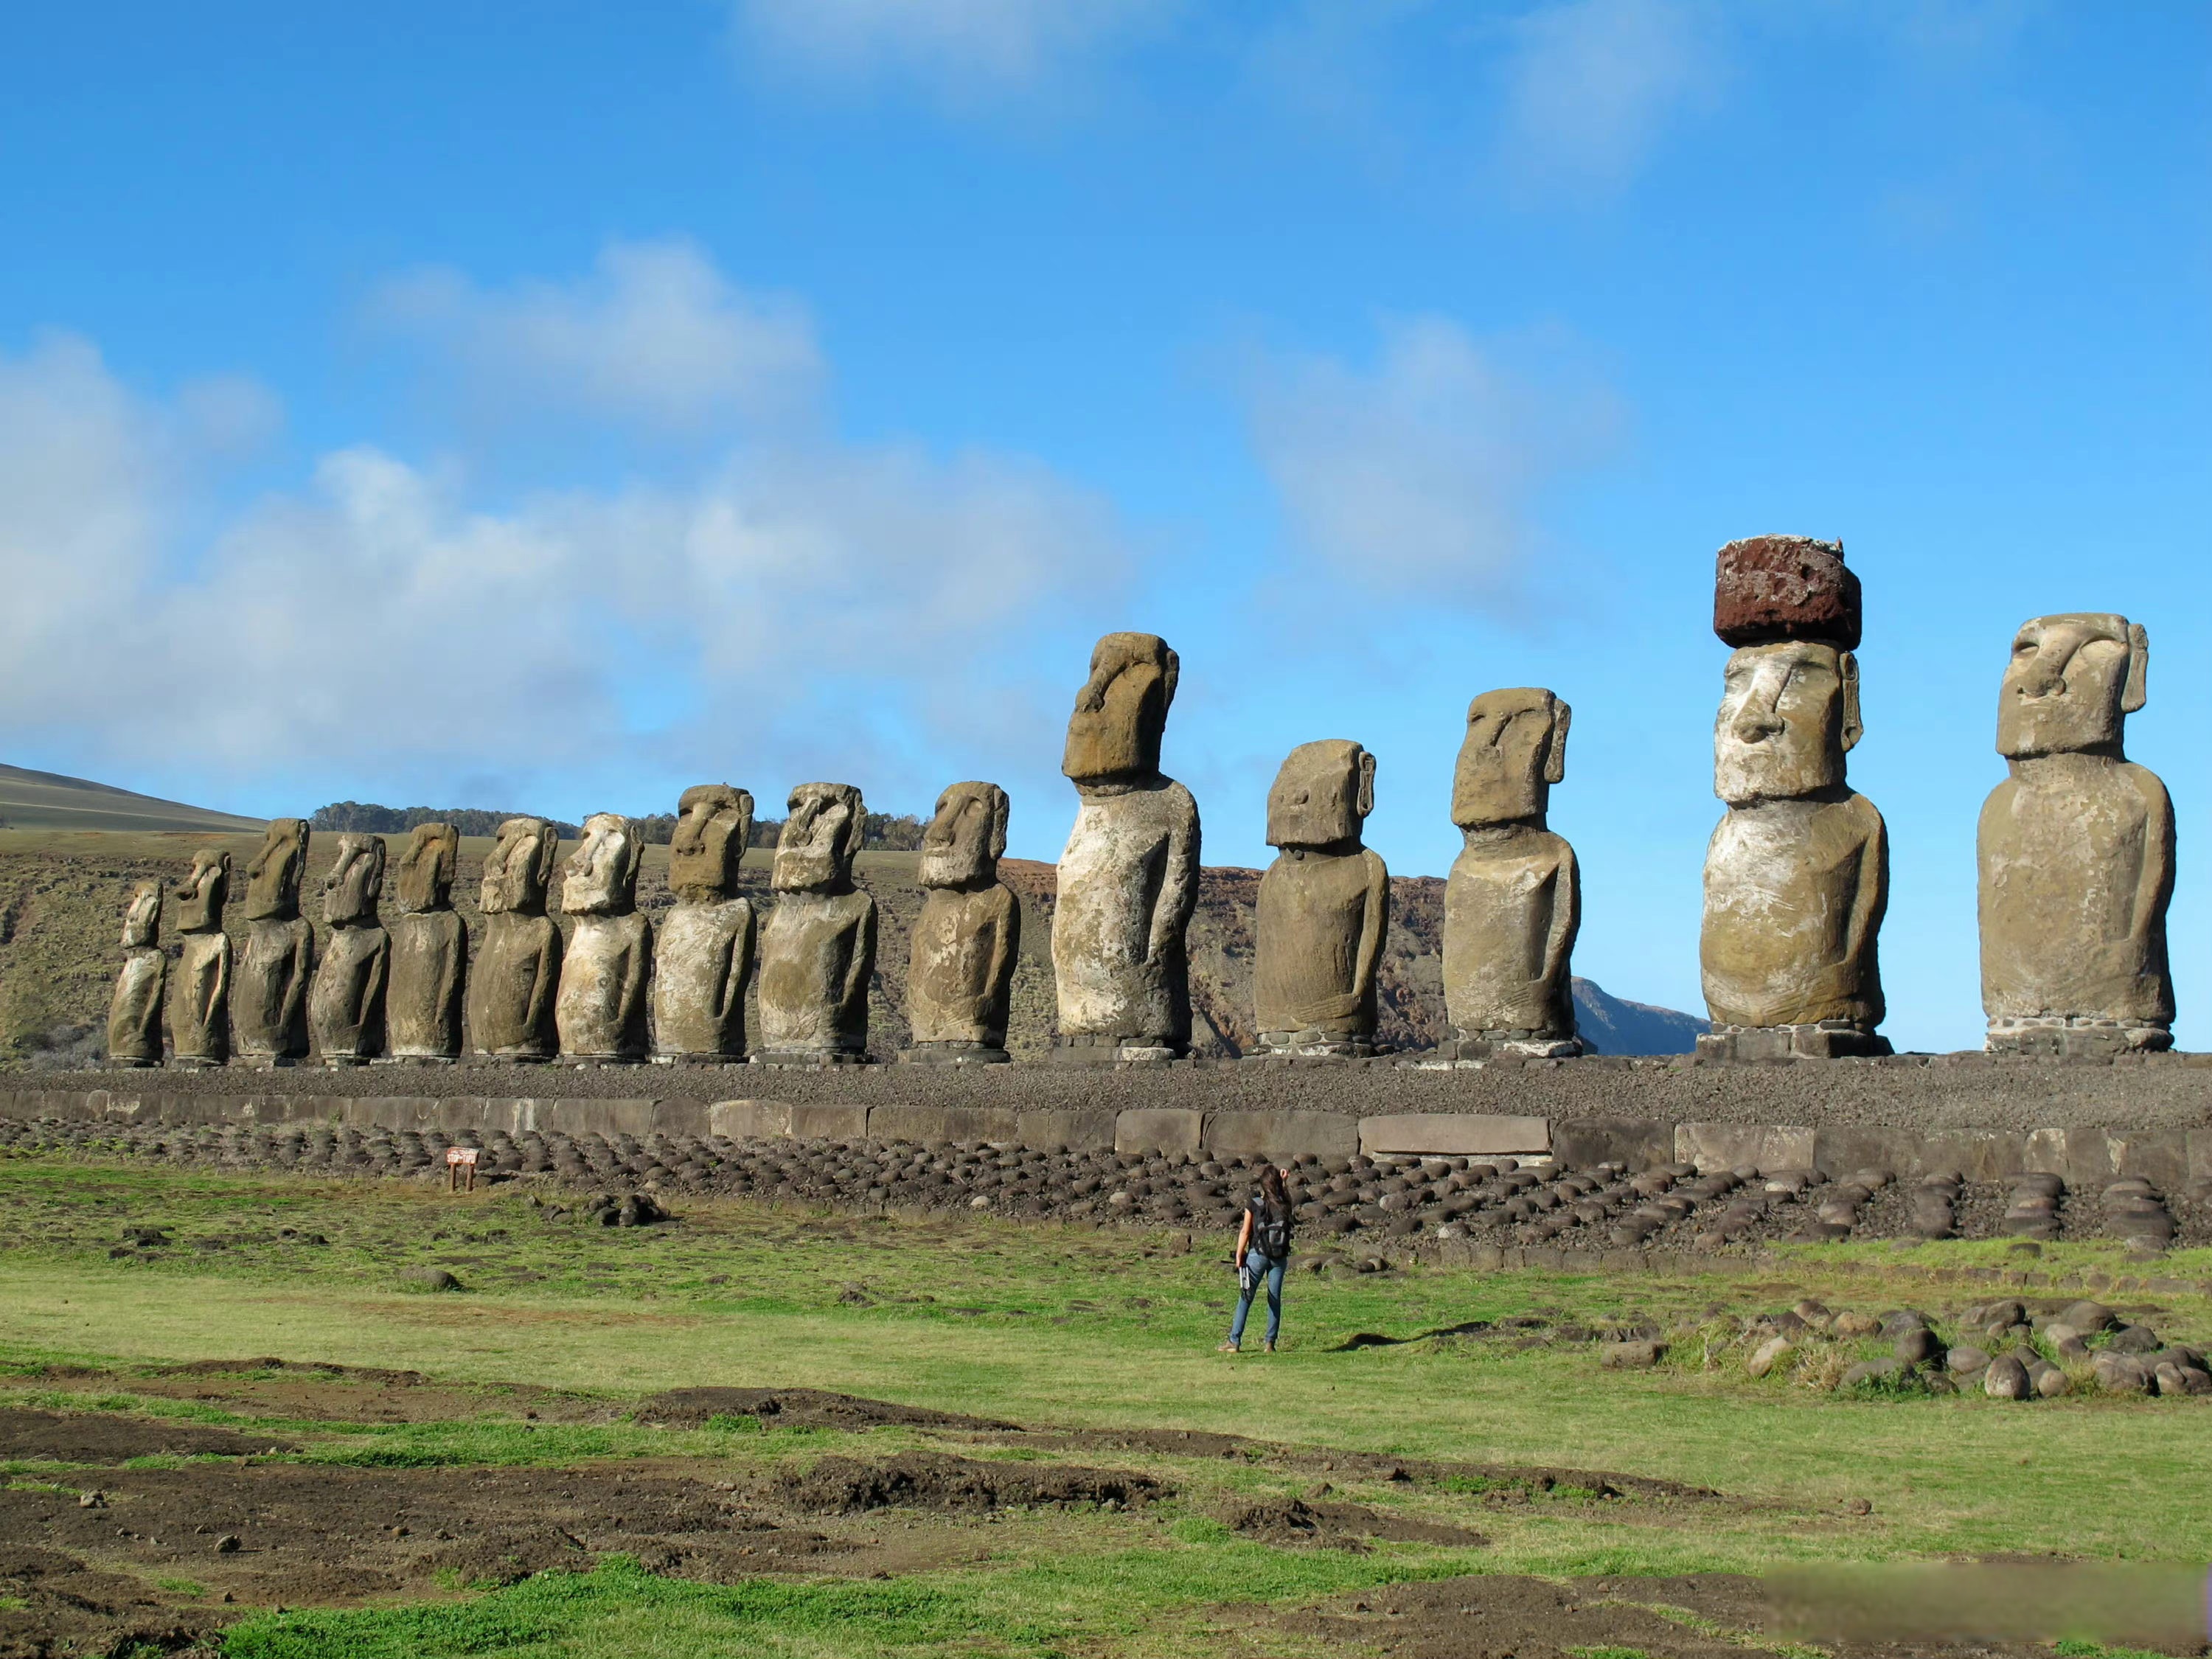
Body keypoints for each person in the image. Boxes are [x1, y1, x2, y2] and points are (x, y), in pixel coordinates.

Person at [1220, 1163, 1293, 1354]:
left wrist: (1238, 1255)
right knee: (1274, 1298)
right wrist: (1284, 1183)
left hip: (1257, 1255)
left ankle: (1234, 1341)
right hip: (1279, 1257)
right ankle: (1270, 1343)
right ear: (1277, 1184)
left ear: (1262, 1184)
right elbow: (1285, 1198)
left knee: (1246, 1297)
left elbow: (1245, 1231)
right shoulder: (1284, 1203)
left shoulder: (1255, 1203)